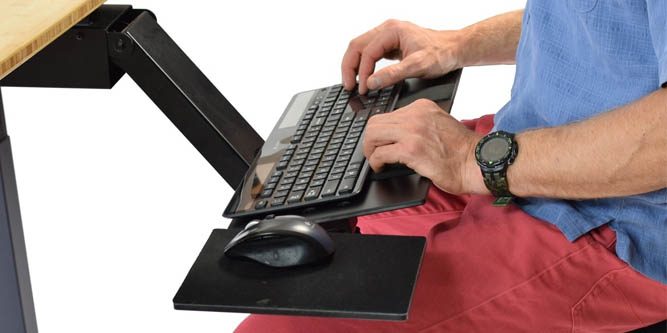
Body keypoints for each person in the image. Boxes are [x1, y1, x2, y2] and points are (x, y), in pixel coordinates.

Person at [237, 1, 667, 332]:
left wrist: (470, 160)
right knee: (310, 204)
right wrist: (459, 44)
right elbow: (600, 23)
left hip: (615, 224)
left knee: (285, 322)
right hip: (520, 153)